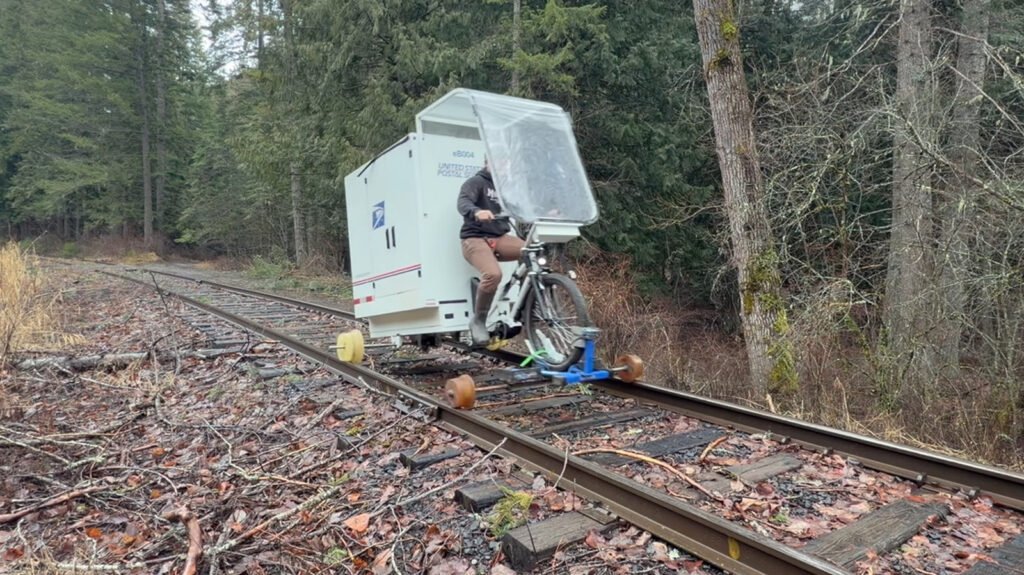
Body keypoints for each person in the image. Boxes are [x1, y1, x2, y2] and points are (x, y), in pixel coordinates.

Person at [457, 159, 525, 345]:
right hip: (475, 238)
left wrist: (548, 212)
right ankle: (479, 320)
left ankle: (526, 305)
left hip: (499, 237)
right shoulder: (476, 183)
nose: (504, 167)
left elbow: (523, 206)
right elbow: (463, 202)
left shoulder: (506, 188)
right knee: (493, 274)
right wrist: (476, 211)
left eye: (507, 163)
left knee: (530, 251)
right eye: (500, 163)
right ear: (488, 162)